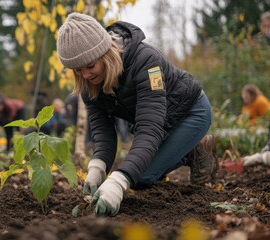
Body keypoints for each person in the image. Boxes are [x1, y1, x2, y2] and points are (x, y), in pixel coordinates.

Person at [56, 13, 217, 216]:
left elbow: (149, 128)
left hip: (191, 111)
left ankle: (195, 150)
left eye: (90, 66)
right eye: (77, 70)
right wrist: (97, 166)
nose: (85, 75)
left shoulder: (147, 62)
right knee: (138, 169)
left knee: (140, 178)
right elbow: (103, 132)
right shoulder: (89, 86)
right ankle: (180, 151)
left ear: (105, 53)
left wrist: (119, 179)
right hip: (162, 121)